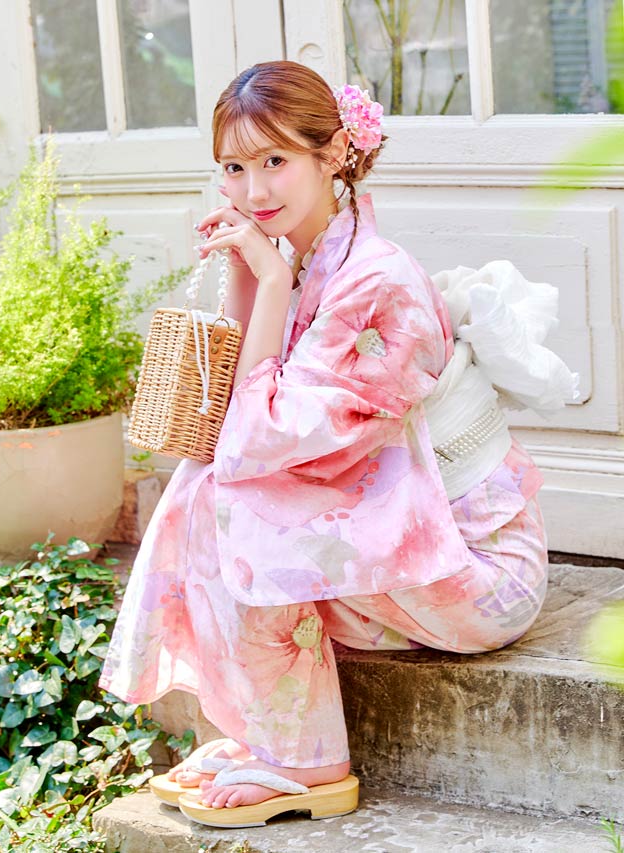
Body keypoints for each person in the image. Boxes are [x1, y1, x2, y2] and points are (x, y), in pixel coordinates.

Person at [99, 60, 577, 828]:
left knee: (234, 504)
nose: (254, 189)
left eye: (275, 160)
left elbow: (256, 442)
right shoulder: (311, 257)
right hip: (412, 547)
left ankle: (306, 760)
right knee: (205, 484)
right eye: (234, 167)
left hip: (482, 568)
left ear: (333, 155)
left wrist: (270, 279)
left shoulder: (376, 281)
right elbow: (229, 418)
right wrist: (249, 270)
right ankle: (264, 733)